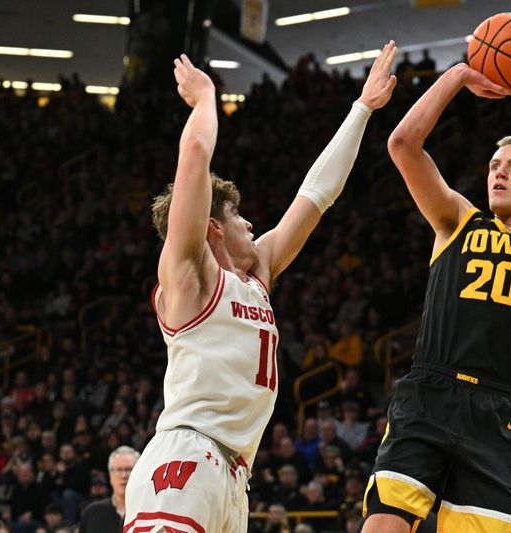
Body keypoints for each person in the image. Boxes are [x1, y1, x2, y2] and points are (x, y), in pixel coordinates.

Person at [124, 44, 398, 533]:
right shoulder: (189, 275)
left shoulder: (258, 273)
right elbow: (194, 155)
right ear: (211, 226)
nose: (251, 223)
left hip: (233, 473)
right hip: (186, 456)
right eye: (237, 215)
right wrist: (206, 98)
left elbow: (317, 194)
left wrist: (362, 110)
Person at [362, 12, 511, 533]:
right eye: (493, 165)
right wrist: (459, 75)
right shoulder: (456, 222)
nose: (499, 172)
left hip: (499, 409)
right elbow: (402, 145)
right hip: (429, 391)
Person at [80, 446, 139, 532]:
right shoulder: (92, 513)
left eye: (129, 470)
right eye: (119, 470)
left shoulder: (152, 512)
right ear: (110, 475)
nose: (124, 476)